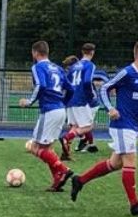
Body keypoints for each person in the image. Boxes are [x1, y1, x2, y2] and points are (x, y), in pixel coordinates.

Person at [70, 41, 138, 216]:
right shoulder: (127, 72)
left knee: (115, 164)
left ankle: (80, 180)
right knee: (131, 160)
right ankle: (134, 204)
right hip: (122, 125)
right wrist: (110, 108)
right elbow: (104, 88)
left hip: (133, 125)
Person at [19, 41, 73, 192]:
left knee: (35, 147)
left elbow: (40, 85)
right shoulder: (58, 68)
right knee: (47, 148)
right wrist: (63, 103)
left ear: (35, 53)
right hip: (60, 110)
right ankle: (57, 180)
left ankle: (63, 169)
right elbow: (71, 89)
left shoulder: (37, 67)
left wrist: (29, 101)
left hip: (49, 111)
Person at [64, 44, 99, 155]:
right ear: (92, 52)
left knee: (74, 126)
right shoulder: (89, 65)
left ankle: (67, 150)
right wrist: (90, 95)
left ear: (82, 51)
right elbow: (87, 81)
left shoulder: (74, 66)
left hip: (71, 99)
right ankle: (66, 138)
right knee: (88, 126)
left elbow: (66, 82)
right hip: (81, 99)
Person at [57, 55, 79, 160]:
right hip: (79, 102)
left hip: (70, 102)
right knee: (85, 126)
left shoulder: (68, 73)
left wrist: (65, 101)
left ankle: (65, 152)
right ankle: (66, 139)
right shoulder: (80, 71)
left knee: (74, 127)